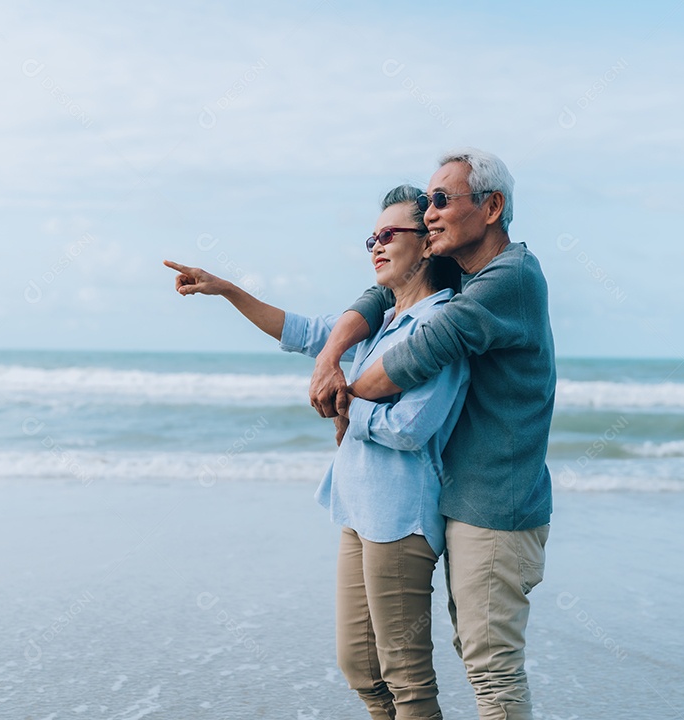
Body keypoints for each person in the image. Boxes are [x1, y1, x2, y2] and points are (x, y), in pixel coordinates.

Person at [163, 185, 469, 720]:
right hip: (357, 510)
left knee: (407, 678)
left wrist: (349, 404)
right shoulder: (382, 321)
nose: (375, 244)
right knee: (360, 668)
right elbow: (304, 332)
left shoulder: (441, 324)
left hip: (400, 519)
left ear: (426, 245)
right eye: (371, 237)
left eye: (388, 234)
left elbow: (413, 427)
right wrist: (227, 290)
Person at [308, 149, 556, 720]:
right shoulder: (463, 274)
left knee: (491, 672)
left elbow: (422, 350)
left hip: (496, 504)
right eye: (426, 206)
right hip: (458, 500)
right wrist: (329, 352)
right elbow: (380, 295)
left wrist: (346, 397)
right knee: (430, 664)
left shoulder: (508, 279)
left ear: (492, 207)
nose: (430, 214)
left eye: (442, 201)